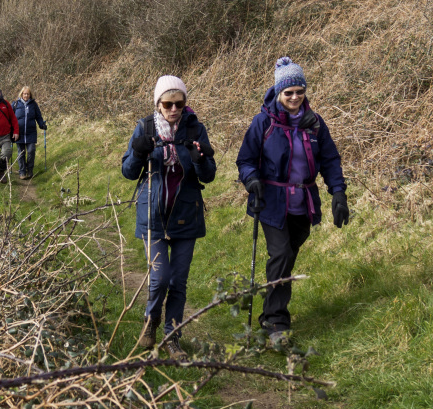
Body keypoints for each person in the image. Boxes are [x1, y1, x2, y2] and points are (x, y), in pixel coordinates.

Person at [236, 57, 349, 345]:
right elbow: (246, 159)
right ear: (278, 93)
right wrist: (251, 181)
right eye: (289, 93)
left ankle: (269, 316)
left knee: (286, 258)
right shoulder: (264, 122)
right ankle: (276, 323)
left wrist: (338, 193)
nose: (295, 97)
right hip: (271, 201)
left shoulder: (315, 123)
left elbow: (331, 160)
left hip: (304, 202)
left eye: (299, 91)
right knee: (282, 254)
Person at [121, 75, 217, 360]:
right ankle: (151, 320)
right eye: (168, 104)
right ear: (158, 103)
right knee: (159, 279)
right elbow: (127, 171)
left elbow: (209, 174)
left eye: (179, 103)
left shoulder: (196, 129)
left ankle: (172, 338)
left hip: (187, 215)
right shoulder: (145, 127)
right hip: (153, 216)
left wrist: (200, 160)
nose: (174, 109)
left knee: (178, 282)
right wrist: (138, 154)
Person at [12, 86, 46, 180]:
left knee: (31, 151)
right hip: (19, 133)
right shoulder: (15, 104)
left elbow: (38, 116)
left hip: (31, 132)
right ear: (21, 94)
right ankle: (22, 171)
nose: (26, 95)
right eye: (24, 94)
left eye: (28, 94)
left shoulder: (33, 104)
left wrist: (41, 124)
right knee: (21, 153)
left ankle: (30, 169)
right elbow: (10, 117)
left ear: (30, 95)